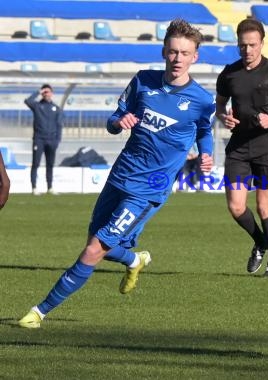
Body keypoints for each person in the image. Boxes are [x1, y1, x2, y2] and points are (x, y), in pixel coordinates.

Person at [18, 18, 215, 328]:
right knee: (97, 242)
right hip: (121, 174)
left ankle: (39, 312)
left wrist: (206, 153)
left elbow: (204, 130)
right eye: (173, 52)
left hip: (151, 185)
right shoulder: (142, 81)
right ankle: (135, 259)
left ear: (195, 57)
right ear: (165, 51)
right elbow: (114, 119)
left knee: (94, 249)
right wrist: (118, 123)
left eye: (185, 53)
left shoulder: (202, 100)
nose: (178, 59)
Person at [215, 18, 268, 278]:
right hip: (238, 148)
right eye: (243, 45)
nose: (248, 50)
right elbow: (219, 106)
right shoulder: (229, 73)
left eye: (252, 45)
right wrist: (223, 117)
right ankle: (260, 241)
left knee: (265, 206)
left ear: (262, 43)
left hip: (267, 148)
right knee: (236, 207)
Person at [24, 84, 64, 195]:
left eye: (48, 92)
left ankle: (50, 187)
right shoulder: (37, 105)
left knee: (50, 164)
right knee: (35, 163)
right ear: (42, 93)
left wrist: (57, 140)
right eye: (45, 92)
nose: (47, 94)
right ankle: (34, 187)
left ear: (52, 93)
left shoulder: (56, 108)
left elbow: (59, 125)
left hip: (51, 141)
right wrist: (38, 91)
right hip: (39, 139)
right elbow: (27, 101)